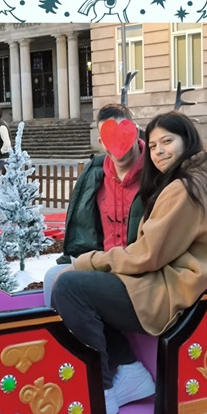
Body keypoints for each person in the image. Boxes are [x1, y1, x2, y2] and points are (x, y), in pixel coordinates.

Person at [51, 111, 207, 414]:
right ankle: (127, 368)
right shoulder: (206, 179)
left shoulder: (184, 188)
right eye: (153, 146)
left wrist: (92, 260)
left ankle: (104, 387)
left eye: (167, 142)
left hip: (172, 288)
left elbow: (146, 255)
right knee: (73, 281)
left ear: (187, 140)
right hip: (177, 278)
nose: (159, 151)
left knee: (68, 286)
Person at [43, 104, 146, 306]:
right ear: (101, 142)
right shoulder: (94, 176)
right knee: (53, 278)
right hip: (102, 265)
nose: (117, 143)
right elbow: (85, 231)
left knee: (68, 284)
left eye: (122, 134)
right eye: (109, 137)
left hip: (141, 271)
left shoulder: (155, 172)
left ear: (134, 132)